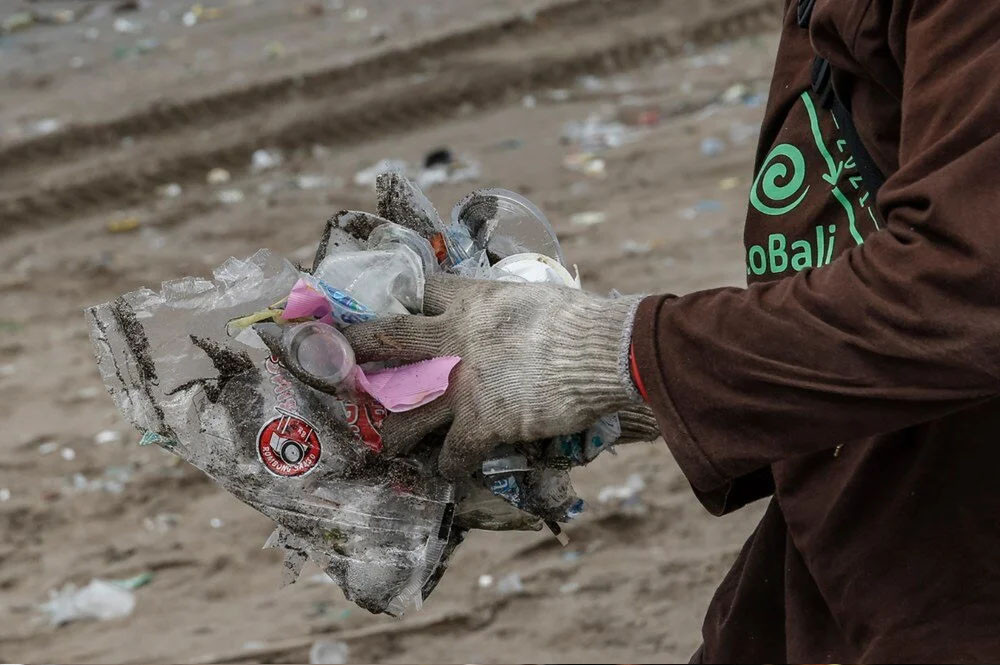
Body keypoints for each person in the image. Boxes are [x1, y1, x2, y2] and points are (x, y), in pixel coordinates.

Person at [344, 0, 1000, 661]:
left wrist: (617, 356)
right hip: (853, 526)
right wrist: (641, 390)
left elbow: (966, 287)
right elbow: (860, 259)